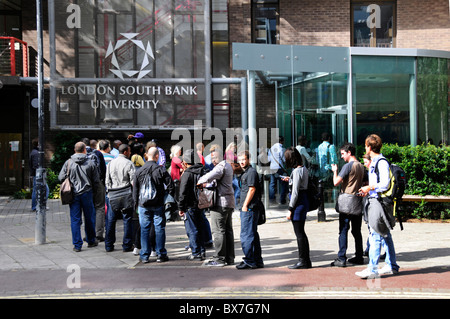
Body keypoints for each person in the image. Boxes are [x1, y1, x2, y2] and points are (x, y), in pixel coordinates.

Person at [356, 134, 400, 279]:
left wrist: (369, 187)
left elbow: (384, 184)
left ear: (369, 147)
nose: (365, 148)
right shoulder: (376, 161)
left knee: (375, 234)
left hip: (379, 203)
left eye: (365, 145)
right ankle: (391, 265)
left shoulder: (381, 162)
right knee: (385, 234)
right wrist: (368, 190)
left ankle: (372, 268)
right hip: (377, 200)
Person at [133, 146, 174, 263]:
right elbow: (171, 185)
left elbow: (135, 190)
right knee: (159, 228)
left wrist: (136, 204)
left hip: (143, 204)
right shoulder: (161, 170)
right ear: (157, 156)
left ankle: (144, 255)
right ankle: (161, 254)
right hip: (158, 203)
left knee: (144, 229)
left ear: (146, 156)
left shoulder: (139, 171)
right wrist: (167, 198)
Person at [58, 142, 101, 252]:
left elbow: (60, 177)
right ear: (84, 150)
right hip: (87, 193)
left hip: (73, 194)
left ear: (74, 149)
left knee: (75, 220)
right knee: (89, 218)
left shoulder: (68, 162)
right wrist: (95, 194)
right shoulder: (90, 163)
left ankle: (77, 245)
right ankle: (91, 240)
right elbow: (96, 181)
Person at [198, 146, 235, 267]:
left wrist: (199, 182)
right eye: (212, 158)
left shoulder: (220, 167)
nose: (213, 160)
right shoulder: (228, 165)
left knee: (218, 231)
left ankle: (219, 258)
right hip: (229, 202)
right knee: (227, 230)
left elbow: (208, 176)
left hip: (220, 203)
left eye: (215, 157)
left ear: (220, 156)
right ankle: (229, 257)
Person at [330, 142, 365, 267]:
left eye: (343, 154)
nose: (342, 157)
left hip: (346, 202)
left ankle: (341, 258)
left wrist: (335, 171)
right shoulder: (361, 166)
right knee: (357, 231)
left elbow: (335, 182)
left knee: (343, 230)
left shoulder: (347, 166)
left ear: (349, 152)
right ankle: (359, 256)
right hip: (357, 201)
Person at [283, 147, 312, 269]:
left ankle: (303, 261)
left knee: (299, 233)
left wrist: (290, 209)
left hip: (298, 203)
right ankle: (306, 260)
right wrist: (290, 180)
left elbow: (295, 192)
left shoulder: (296, 171)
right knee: (301, 233)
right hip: (303, 200)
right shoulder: (303, 169)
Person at [104, 144, 136, 252]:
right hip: (126, 193)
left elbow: (107, 181)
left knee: (110, 220)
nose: (130, 153)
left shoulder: (111, 163)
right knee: (127, 220)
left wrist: (109, 191)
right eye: (129, 151)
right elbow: (133, 182)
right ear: (126, 152)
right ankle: (127, 245)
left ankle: (109, 245)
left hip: (112, 194)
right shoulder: (128, 163)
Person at [236, 150, 264, 269]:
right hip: (249, 208)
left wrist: (245, 205)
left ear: (248, 159)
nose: (241, 162)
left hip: (249, 208)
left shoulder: (251, 172)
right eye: (240, 160)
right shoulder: (246, 172)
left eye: (244, 159)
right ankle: (256, 260)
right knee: (252, 234)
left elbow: (252, 189)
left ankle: (250, 260)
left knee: (246, 235)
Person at [178, 149, 208, 260]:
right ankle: (202, 250)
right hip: (202, 203)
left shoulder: (187, 173)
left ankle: (196, 252)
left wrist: (181, 207)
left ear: (185, 162)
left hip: (190, 204)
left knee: (192, 229)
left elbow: (183, 192)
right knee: (200, 227)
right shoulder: (203, 170)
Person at [82, 137, 107, 242]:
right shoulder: (97, 153)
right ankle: (99, 233)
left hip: (85, 185)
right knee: (100, 207)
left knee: (87, 209)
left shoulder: (79, 154)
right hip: (98, 183)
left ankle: (88, 233)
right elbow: (103, 169)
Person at [30, 138, 49, 212]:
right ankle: (37, 206)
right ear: (38, 144)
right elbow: (35, 165)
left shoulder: (34, 152)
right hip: (37, 175)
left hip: (36, 175)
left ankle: (37, 206)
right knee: (44, 190)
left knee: (36, 190)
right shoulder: (36, 153)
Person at [268, 136, 288, 205]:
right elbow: (284, 159)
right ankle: (282, 200)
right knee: (283, 184)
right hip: (279, 168)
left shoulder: (271, 149)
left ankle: (271, 200)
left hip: (272, 167)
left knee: (272, 184)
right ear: (281, 141)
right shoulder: (281, 148)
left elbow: (269, 159)